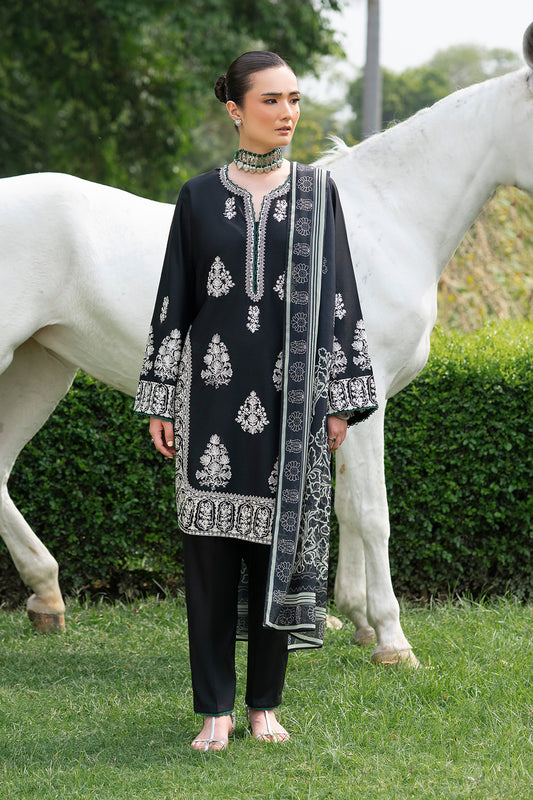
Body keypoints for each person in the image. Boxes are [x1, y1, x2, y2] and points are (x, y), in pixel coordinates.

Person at [134, 50, 378, 751]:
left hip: (290, 408)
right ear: (235, 110)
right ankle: (214, 707)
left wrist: (339, 399)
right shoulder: (196, 197)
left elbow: (339, 296)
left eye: (294, 99)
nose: (287, 113)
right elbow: (173, 301)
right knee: (209, 563)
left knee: (277, 553)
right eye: (271, 100)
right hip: (208, 403)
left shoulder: (317, 193)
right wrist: (159, 396)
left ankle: (264, 705)